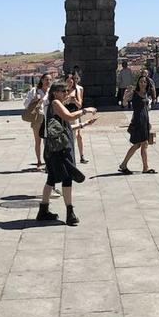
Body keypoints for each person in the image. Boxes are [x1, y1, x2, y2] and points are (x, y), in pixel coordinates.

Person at [36, 81, 97, 226]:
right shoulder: (55, 103)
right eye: (63, 91)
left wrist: (84, 124)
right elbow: (69, 117)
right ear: (55, 92)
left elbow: (66, 126)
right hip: (61, 149)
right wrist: (85, 110)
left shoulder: (55, 105)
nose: (66, 93)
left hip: (55, 148)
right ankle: (70, 213)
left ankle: (43, 211)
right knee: (67, 177)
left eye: (66, 91)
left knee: (52, 178)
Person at [119, 74, 156, 174]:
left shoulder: (146, 94)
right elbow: (124, 104)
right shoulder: (134, 93)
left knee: (139, 144)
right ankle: (144, 167)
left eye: (144, 82)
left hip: (144, 120)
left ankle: (125, 165)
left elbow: (146, 109)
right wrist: (125, 97)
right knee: (142, 144)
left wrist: (148, 123)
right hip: (138, 121)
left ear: (147, 83)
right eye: (141, 82)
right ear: (138, 83)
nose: (142, 83)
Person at [24, 73, 52, 170]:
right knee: (38, 141)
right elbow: (26, 104)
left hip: (49, 118)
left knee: (48, 141)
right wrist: (34, 100)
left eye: (50, 80)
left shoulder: (51, 92)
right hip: (37, 118)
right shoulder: (34, 91)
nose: (48, 82)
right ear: (42, 80)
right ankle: (39, 161)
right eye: (46, 79)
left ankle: (48, 161)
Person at [64, 72, 89, 164]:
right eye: (67, 82)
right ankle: (67, 156)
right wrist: (66, 100)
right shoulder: (62, 91)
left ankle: (74, 157)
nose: (69, 84)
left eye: (71, 82)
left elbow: (80, 105)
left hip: (74, 115)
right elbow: (58, 104)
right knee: (65, 137)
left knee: (74, 136)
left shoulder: (77, 90)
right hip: (64, 115)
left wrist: (74, 101)